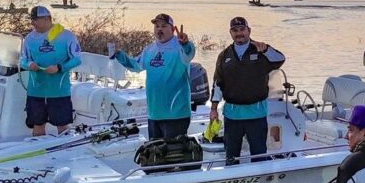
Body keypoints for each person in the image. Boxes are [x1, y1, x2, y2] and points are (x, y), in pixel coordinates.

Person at [209, 16, 286, 164]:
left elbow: (280, 59)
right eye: (235, 30)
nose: (239, 33)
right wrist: (213, 109)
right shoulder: (224, 55)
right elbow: (218, 84)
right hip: (232, 116)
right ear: (230, 33)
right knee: (231, 158)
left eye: (242, 29)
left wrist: (267, 49)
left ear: (249, 31)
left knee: (259, 157)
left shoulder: (260, 50)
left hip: (256, 115)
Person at [113, 13, 196, 139]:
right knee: (156, 153)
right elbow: (136, 66)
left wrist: (185, 44)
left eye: (163, 26)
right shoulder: (149, 49)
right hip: (154, 114)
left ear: (173, 29)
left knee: (173, 155)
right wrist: (119, 55)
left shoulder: (180, 47)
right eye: (157, 26)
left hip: (176, 114)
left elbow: (189, 53)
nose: (159, 29)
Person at [21, 5, 82, 136]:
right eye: (32, 20)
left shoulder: (66, 36)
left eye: (36, 19)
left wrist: (59, 68)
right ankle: (38, 152)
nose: (33, 23)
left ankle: (64, 151)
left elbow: (77, 59)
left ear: (48, 18)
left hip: (59, 92)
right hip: (36, 91)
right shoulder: (29, 38)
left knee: (62, 125)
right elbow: (22, 60)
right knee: (37, 125)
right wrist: (29, 64)